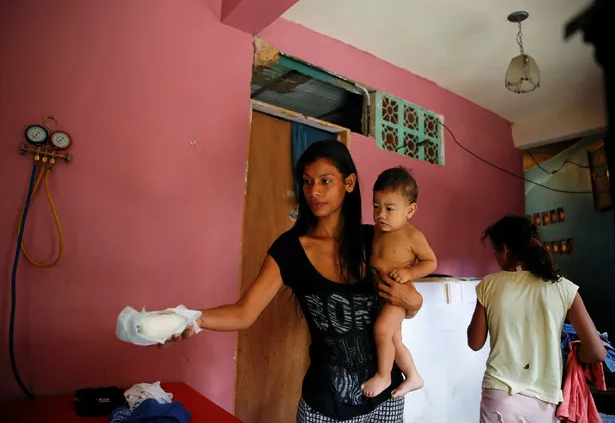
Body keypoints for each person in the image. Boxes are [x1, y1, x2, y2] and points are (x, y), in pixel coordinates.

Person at [166, 140, 424, 422]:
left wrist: (415, 302)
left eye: (326, 181)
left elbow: (403, 300)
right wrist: (194, 318)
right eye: (307, 181)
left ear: (349, 183)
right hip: (325, 406)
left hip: (386, 399)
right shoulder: (289, 250)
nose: (314, 191)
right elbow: (243, 313)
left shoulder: (374, 239)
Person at [467, 215, 607, 423]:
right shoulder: (564, 288)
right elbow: (597, 352)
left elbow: (475, 343)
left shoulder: (489, 285)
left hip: (499, 395)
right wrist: (574, 356)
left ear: (504, 250)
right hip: (545, 401)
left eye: (494, 251)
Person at [360, 167, 437, 399]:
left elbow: (430, 262)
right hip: (380, 293)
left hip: (398, 294)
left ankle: (384, 376)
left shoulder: (413, 236)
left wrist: (409, 272)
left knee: (382, 330)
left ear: (410, 210)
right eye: (376, 207)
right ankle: (413, 375)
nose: (380, 214)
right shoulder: (376, 231)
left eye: (389, 209)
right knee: (394, 338)